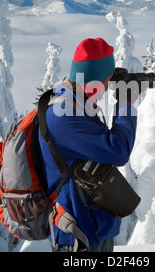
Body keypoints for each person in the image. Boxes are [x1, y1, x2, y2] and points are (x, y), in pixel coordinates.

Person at [38, 38, 138, 252]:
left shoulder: (75, 103)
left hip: (93, 227)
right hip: (78, 235)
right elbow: (118, 150)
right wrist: (126, 103)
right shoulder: (65, 117)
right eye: (107, 79)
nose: (108, 85)